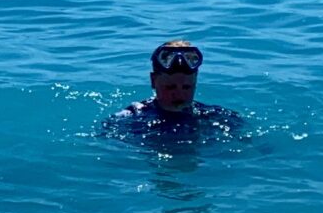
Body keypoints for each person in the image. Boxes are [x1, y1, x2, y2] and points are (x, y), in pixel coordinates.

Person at [105, 40, 245, 139]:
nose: (179, 94)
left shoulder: (213, 116)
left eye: (186, 87)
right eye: (170, 87)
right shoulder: (134, 115)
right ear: (153, 81)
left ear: (195, 82)